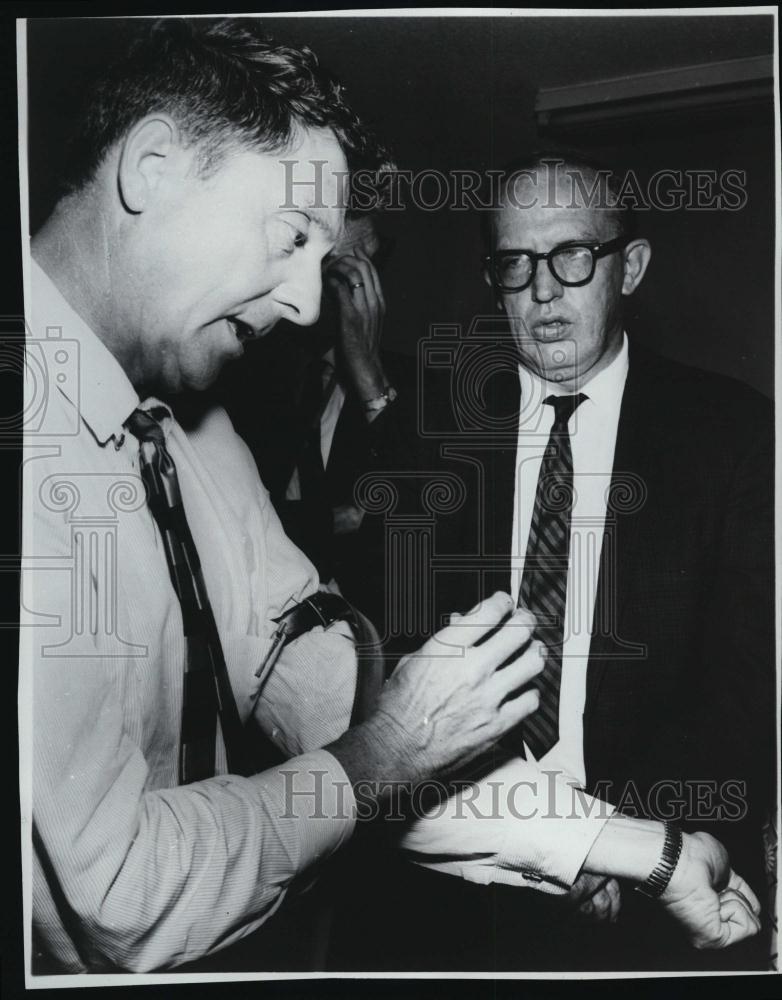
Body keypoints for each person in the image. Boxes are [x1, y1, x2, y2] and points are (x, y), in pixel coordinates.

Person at [21, 20, 763, 973]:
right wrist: (382, 756)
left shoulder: (199, 440)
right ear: (152, 168)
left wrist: (640, 850)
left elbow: (360, 718)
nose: (305, 305)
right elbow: (119, 892)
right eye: (291, 238)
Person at [332, 152, 774, 971]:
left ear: (629, 267)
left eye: (573, 256)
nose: (542, 292)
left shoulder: (734, 434)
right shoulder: (433, 428)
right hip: (444, 884)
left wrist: (613, 838)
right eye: (514, 264)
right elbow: (386, 658)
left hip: (654, 888)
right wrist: (558, 837)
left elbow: (746, 681)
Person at [218, 210, 417, 639]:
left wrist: (368, 371)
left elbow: (411, 531)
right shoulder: (247, 376)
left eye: (366, 271)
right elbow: (243, 525)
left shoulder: (413, 390)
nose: (354, 292)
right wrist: (334, 519)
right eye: (341, 270)